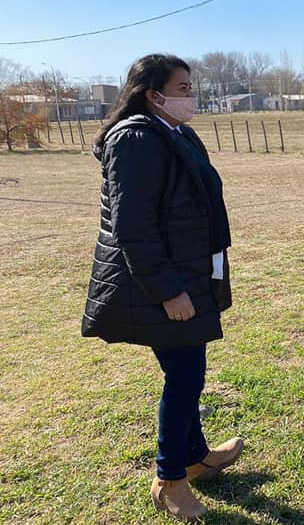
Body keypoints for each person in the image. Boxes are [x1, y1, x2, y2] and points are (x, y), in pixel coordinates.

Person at [82, 54, 243, 522]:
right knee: (185, 374)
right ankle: (170, 478)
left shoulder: (174, 132)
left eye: (191, 87)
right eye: (183, 87)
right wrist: (168, 290)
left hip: (189, 273)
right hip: (159, 283)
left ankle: (195, 456)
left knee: (190, 369)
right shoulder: (134, 139)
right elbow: (134, 225)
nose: (191, 96)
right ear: (153, 94)